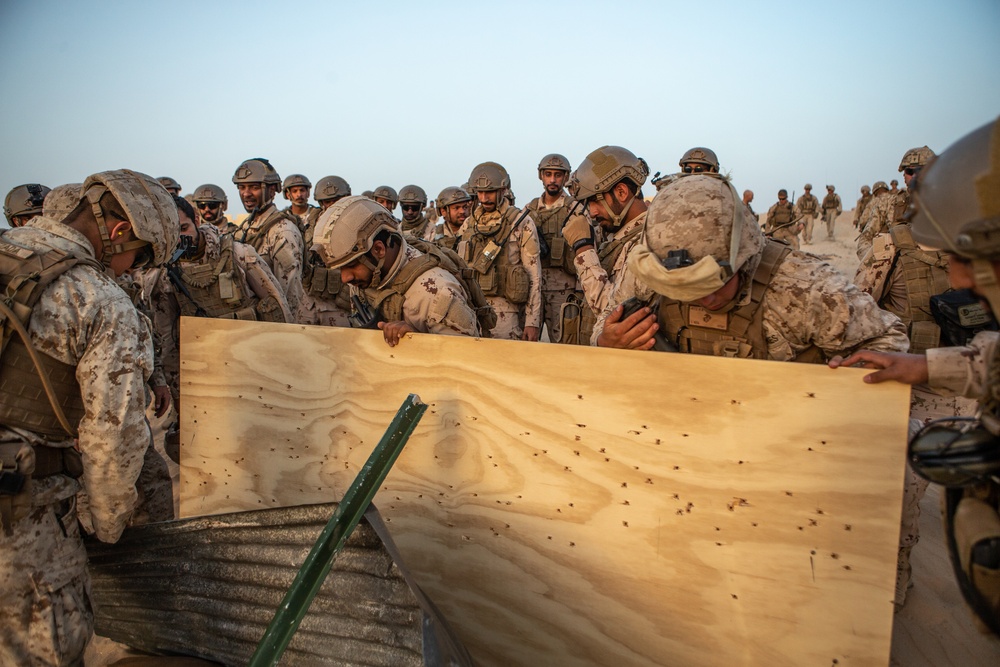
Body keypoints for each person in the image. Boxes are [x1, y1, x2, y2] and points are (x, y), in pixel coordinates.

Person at [830, 117, 1000, 633]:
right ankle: (890, 589)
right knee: (902, 499)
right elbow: (862, 303)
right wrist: (918, 364)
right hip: (922, 389)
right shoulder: (893, 240)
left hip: (958, 400)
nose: (959, 277)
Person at [0, 169, 177, 664]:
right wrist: (107, 523)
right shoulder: (98, 299)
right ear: (120, 232)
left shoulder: (8, 247)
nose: (127, 271)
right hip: (23, 517)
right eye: (137, 258)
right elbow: (113, 435)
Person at [592, 173, 908, 361]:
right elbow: (604, 326)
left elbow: (887, 342)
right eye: (680, 289)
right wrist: (608, 341)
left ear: (742, 259)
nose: (700, 300)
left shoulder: (805, 286)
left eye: (708, 286)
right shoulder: (649, 270)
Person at [313, 196, 484, 346]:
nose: (345, 278)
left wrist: (416, 342)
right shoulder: (367, 275)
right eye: (341, 269)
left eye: (351, 266)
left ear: (379, 249)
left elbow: (468, 360)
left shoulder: (439, 294)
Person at [561, 145, 649, 320]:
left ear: (622, 192)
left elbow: (613, 314)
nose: (592, 212)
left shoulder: (646, 243)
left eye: (594, 201)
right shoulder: (619, 239)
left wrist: (583, 249)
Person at [459, 162, 542, 341]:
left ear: (503, 190)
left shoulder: (520, 222)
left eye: (489, 192)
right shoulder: (469, 224)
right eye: (479, 192)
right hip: (473, 309)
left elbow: (534, 274)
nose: (483, 197)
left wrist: (532, 321)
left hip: (507, 312)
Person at [525, 154, 595, 345]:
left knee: (566, 345)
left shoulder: (576, 209)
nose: (553, 180)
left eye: (558, 175)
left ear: (566, 177)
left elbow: (588, 251)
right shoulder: (529, 211)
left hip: (565, 291)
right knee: (526, 346)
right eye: (548, 174)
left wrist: (583, 291)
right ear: (541, 176)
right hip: (535, 291)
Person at [232, 158, 305, 316]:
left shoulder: (283, 231)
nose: (246, 193)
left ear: (272, 190)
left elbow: (291, 295)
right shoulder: (244, 227)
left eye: (254, 187)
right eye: (242, 187)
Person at [856, 180, 894, 260]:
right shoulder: (895, 198)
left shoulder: (873, 202)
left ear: (874, 192)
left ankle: (869, 265)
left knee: (863, 245)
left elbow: (863, 220)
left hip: (878, 236)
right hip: (895, 236)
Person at [430, 186, 472, 251]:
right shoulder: (432, 234)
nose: (462, 211)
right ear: (443, 211)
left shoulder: (475, 232)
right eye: (456, 208)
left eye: (465, 207)